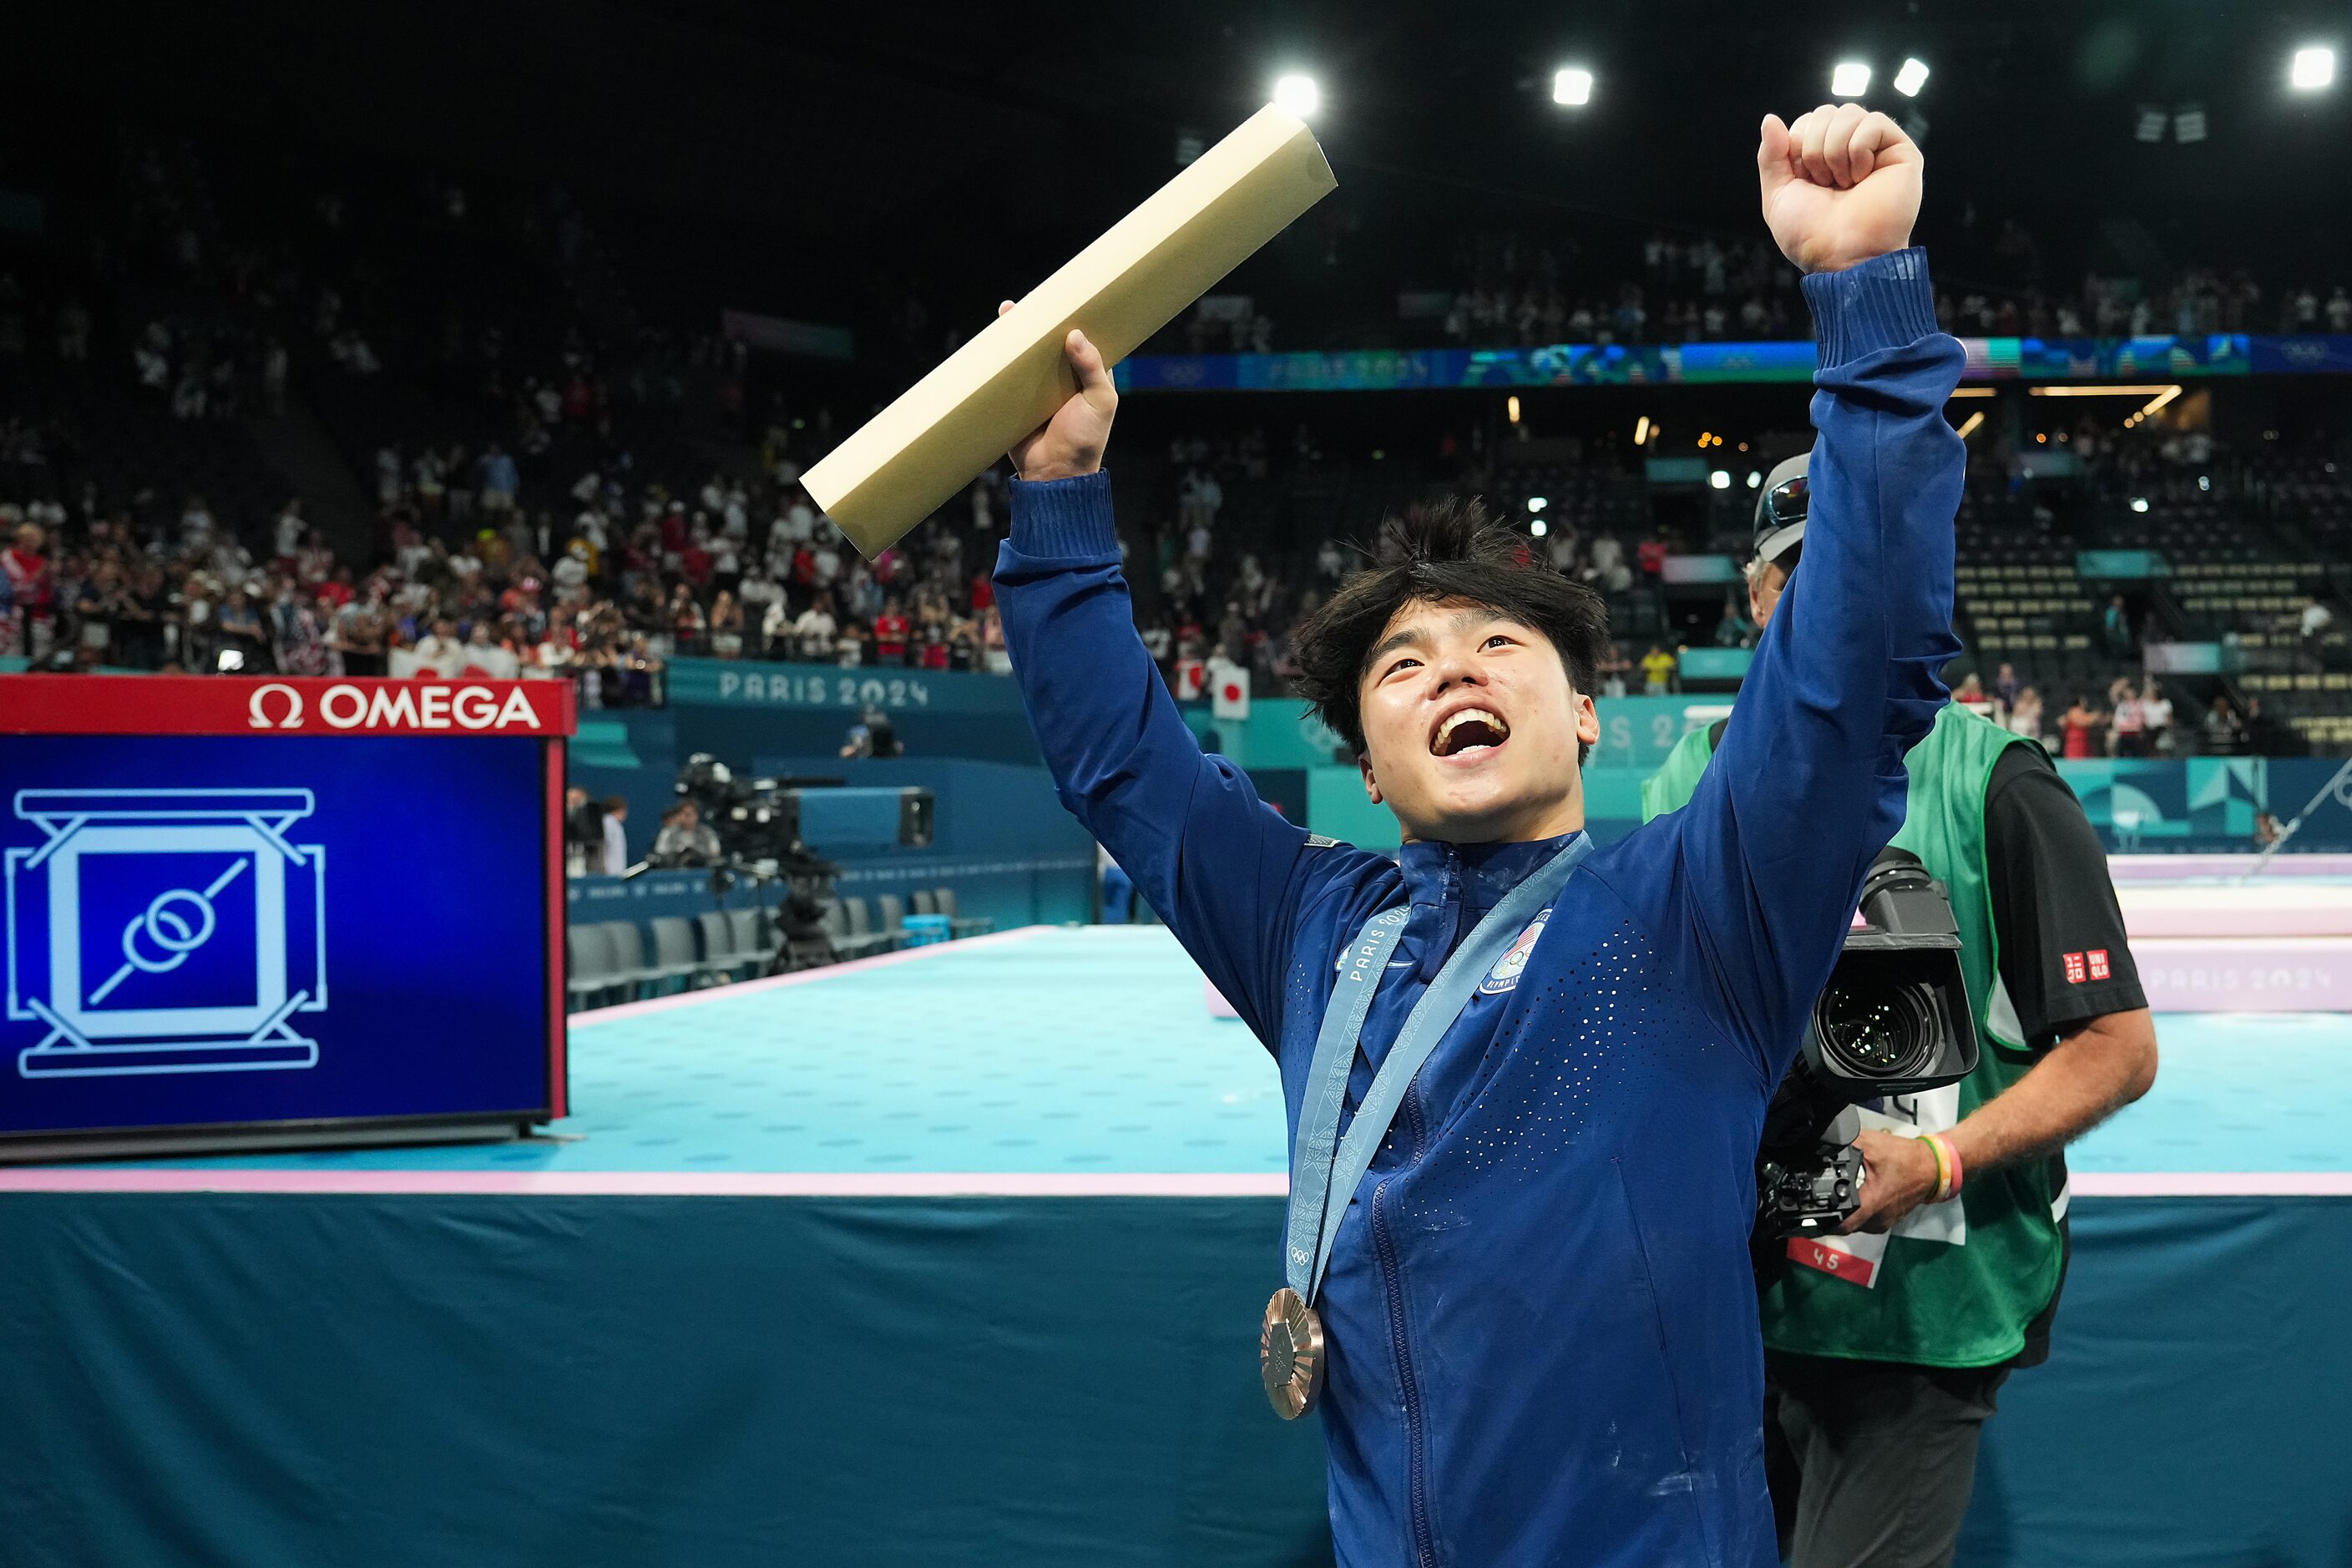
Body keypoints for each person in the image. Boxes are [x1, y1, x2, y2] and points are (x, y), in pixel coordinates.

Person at [990, 105, 1960, 1565]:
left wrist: (1864, 294)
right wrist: (1060, 490)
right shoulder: (1313, 927)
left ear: (1584, 718)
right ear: (1365, 769)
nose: (1452, 667)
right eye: (1402, 664)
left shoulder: (1697, 907)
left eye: (1500, 641)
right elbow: (1122, 760)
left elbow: (1854, 664)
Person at [1643, 451, 2158, 1568]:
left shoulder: (1995, 781)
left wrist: (1941, 1160)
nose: (1830, 601)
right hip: (1733, 1288)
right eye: (1801, 574)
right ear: (1758, 593)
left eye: (1860, 573)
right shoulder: (1687, 773)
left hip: (1921, 1307)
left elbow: (2117, 1048)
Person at [648, 800, 722, 867]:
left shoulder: (707, 832)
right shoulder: (668, 832)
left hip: (701, 870)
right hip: (673, 870)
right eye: (684, 814)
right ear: (678, 816)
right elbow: (660, 852)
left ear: (696, 816)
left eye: (690, 814)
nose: (687, 818)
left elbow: (715, 853)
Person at [600, 796, 630, 878]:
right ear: (621, 810)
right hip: (610, 871)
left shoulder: (614, 823)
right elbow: (604, 846)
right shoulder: (608, 823)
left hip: (616, 871)